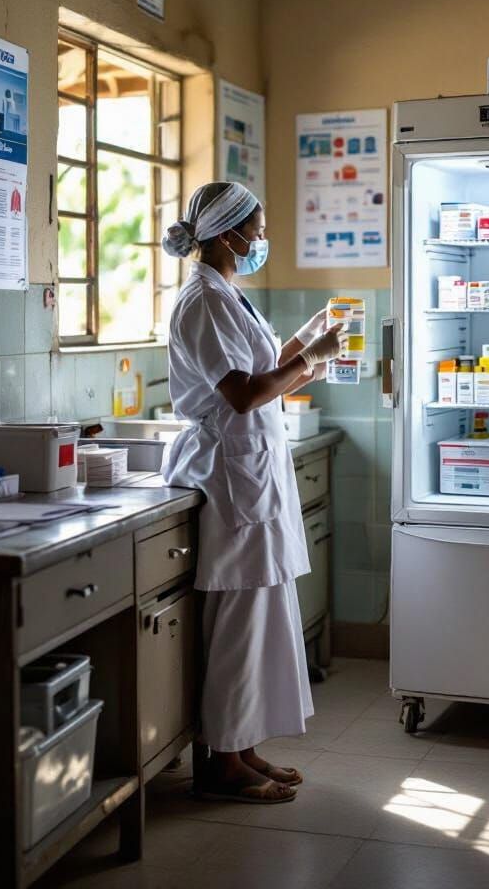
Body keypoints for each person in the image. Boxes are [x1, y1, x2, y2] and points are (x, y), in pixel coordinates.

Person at [161, 181, 347, 805]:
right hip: (230, 476)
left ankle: (240, 746)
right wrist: (307, 362)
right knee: (240, 621)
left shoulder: (226, 296)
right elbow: (241, 393)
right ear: (225, 233)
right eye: (257, 228)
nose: (263, 238)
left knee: (262, 615)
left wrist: (303, 341)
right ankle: (222, 763)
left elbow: (257, 370)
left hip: (252, 472)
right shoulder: (203, 301)